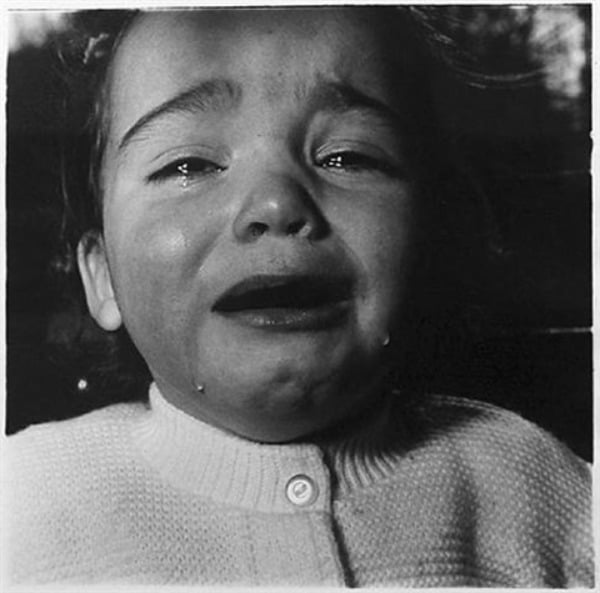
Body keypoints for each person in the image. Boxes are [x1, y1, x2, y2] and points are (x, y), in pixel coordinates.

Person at [6, 7, 593, 587]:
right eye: (189, 164)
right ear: (103, 273)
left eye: (347, 157)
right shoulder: (25, 501)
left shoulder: (539, 491)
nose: (276, 204)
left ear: (436, 236)